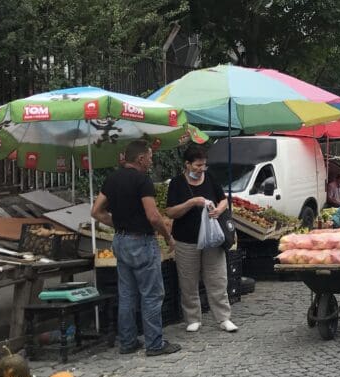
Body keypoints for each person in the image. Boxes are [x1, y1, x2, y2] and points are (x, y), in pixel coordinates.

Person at [92, 140, 180, 356]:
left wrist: (119, 225)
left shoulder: (112, 179)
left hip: (120, 241)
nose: (151, 160)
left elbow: (96, 211)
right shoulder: (142, 181)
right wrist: (167, 236)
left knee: (127, 294)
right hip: (142, 241)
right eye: (150, 157)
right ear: (140, 158)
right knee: (151, 294)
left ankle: (128, 342)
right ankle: (154, 344)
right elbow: (153, 216)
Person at [164, 144, 239, 335]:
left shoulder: (211, 177)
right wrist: (191, 203)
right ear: (187, 164)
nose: (201, 169)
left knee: (217, 278)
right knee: (188, 279)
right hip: (186, 239)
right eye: (197, 165)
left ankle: (223, 317)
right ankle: (193, 318)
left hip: (212, 239)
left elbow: (224, 200)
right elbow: (170, 211)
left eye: (203, 165)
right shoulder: (176, 183)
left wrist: (219, 210)